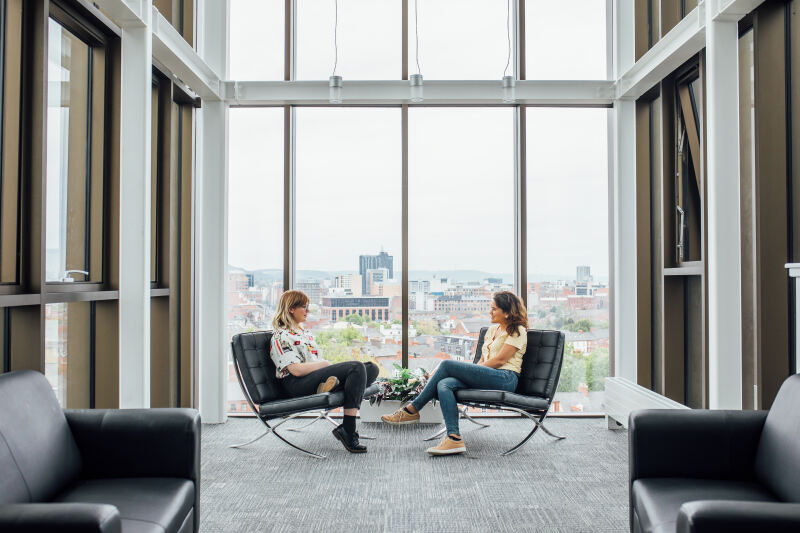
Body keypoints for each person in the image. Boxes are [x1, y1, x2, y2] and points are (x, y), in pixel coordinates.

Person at [382, 291, 528, 455]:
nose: (490, 312)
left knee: (446, 365)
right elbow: (483, 360)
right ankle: (454, 438)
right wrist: (474, 371)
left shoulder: (518, 331)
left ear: (507, 312)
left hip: (505, 378)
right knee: (444, 384)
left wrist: (475, 371)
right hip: (488, 375)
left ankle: (411, 410)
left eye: (494, 309)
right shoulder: (491, 330)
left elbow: (500, 360)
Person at [270, 290, 379, 453]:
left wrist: (326, 367)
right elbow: (296, 370)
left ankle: (331, 385)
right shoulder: (281, 337)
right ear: (291, 309)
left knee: (371, 368)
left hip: (313, 377)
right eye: (304, 307)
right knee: (356, 368)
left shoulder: (305, 333)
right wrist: (325, 365)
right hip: (296, 384)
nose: (307, 311)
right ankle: (348, 430)